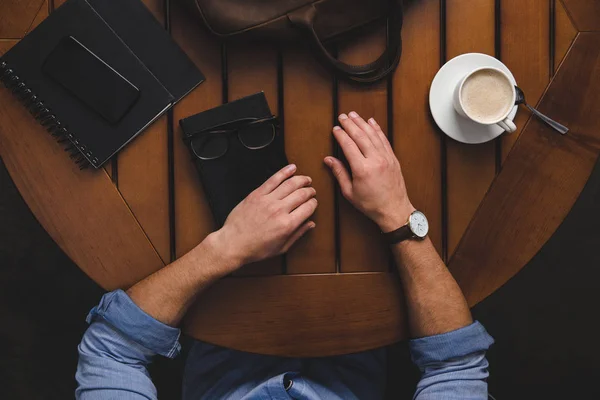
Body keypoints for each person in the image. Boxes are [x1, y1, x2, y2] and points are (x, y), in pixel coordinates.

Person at [75, 111, 494, 399]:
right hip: (365, 306)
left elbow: (111, 349)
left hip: (222, 306)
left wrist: (227, 247)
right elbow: (454, 367)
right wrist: (397, 213)